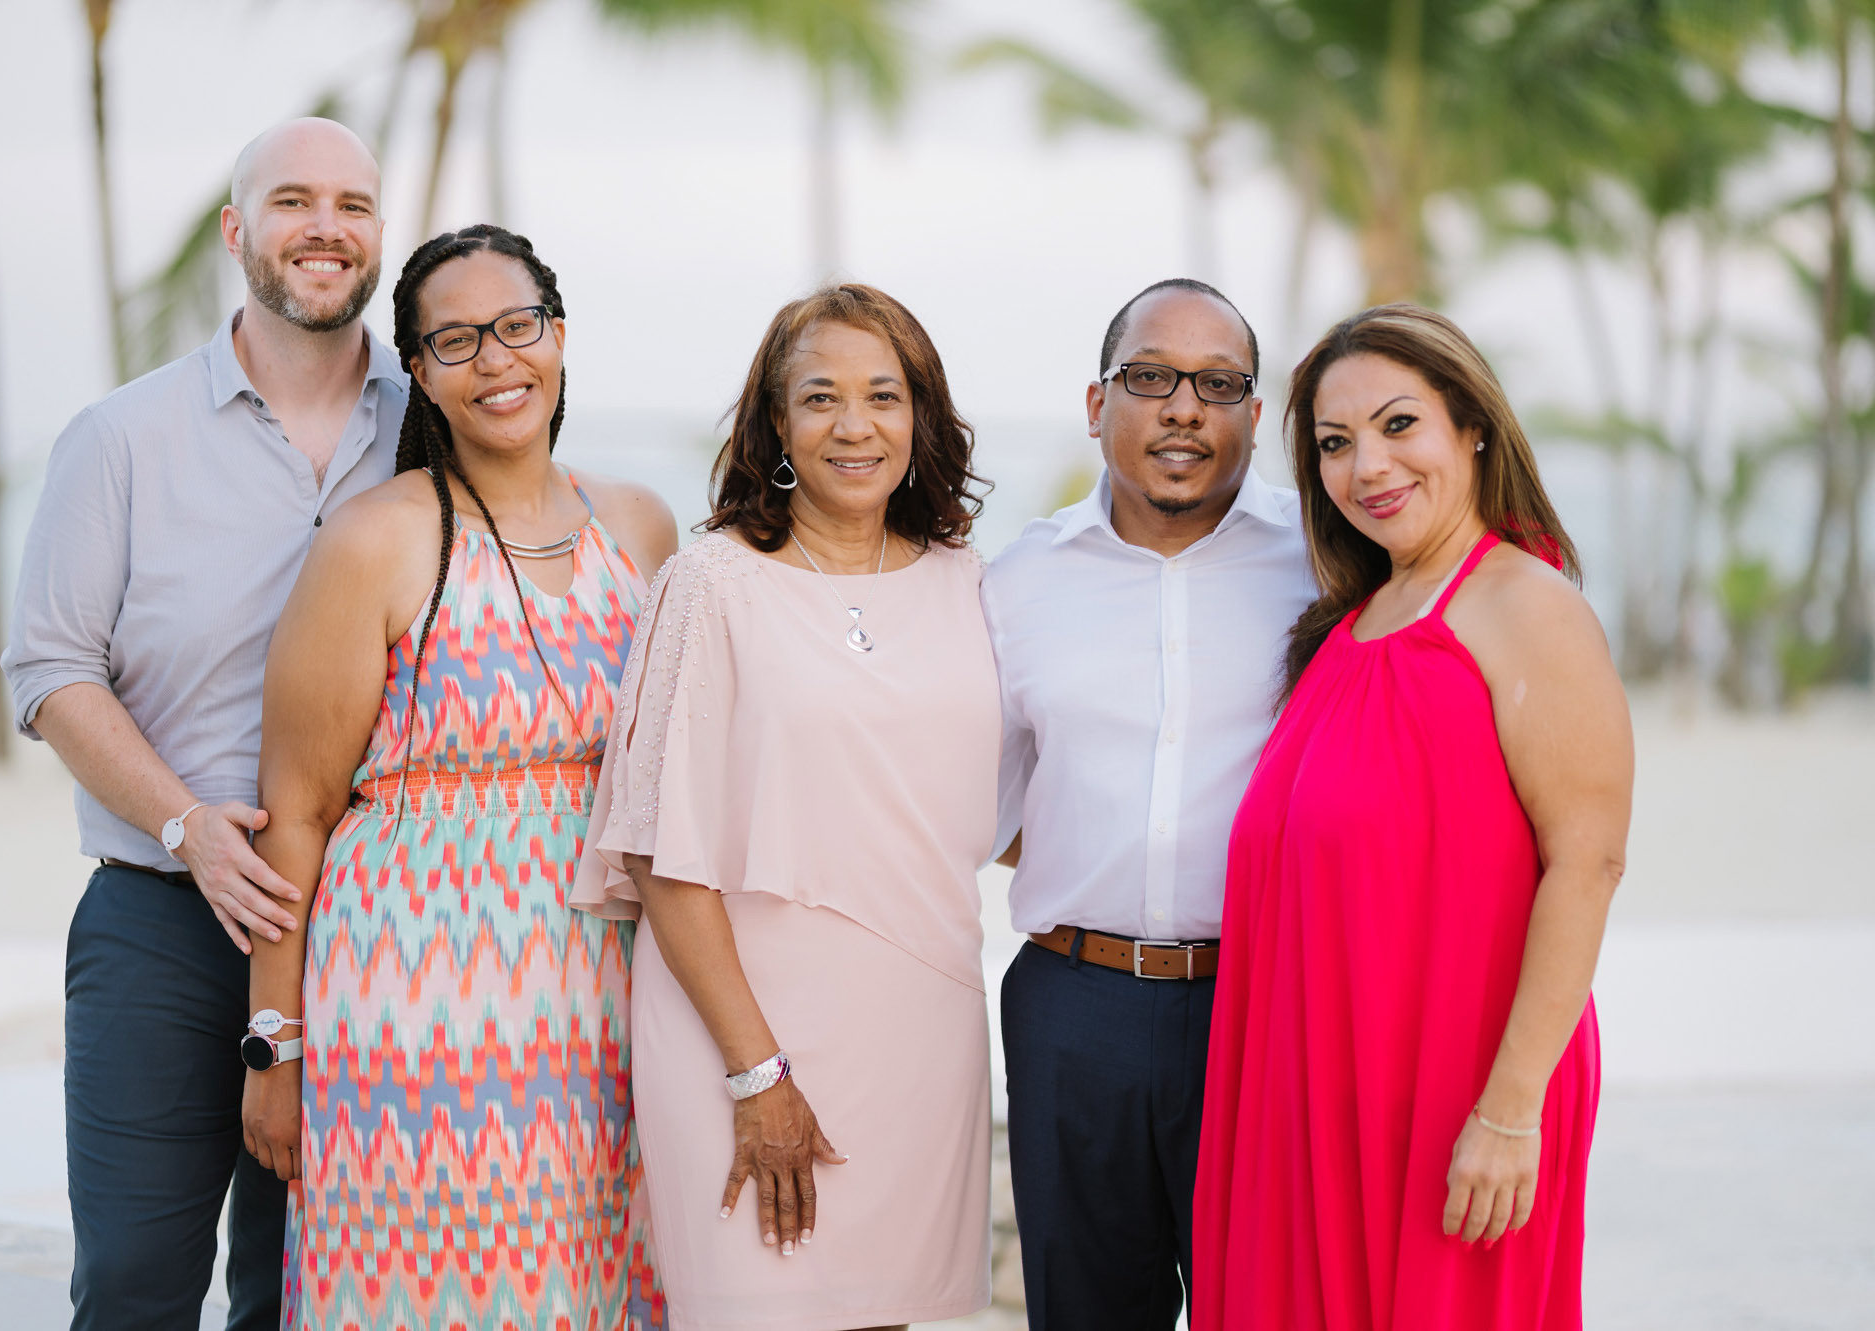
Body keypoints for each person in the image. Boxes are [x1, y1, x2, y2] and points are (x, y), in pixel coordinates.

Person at [236, 224, 678, 1330]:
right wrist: (274, 1047)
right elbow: (295, 813)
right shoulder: (372, 542)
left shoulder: (639, 525)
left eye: (517, 326)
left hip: (602, 992)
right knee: (414, 1286)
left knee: (591, 1277)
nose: (496, 359)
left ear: (559, 338)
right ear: (421, 372)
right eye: (457, 339)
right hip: (407, 1000)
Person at [1, 118, 402, 1330]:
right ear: (239, 231)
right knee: (132, 1281)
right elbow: (49, 667)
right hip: (159, 922)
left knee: (306, 1291)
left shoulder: (437, 433)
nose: (324, 226)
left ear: (379, 236)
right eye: (291, 200)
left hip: (366, 929)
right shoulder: (121, 437)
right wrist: (189, 826)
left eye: (352, 203)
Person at [1192, 304, 1629, 1330]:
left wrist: (1508, 1109)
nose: (1366, 466)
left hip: (1459, 1085)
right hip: (1318, 1087)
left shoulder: (1525, 605)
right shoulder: (1346, 625)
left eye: (1397, 425)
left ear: (1469, 426)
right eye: (1334, 444)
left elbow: (1588, 859)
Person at [570, 283, 998, 1331]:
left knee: (880, 1314)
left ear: (922, 418)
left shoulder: (968, 579)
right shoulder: (710, 584)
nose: (854, 426)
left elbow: (1013, 798)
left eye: (883, 396)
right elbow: (665, 856)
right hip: (742, 1032)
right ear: (773, 425)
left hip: (918, 1025)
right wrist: (755, 1073)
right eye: (819, 399)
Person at [982, 278, 1314, 1329]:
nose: (1182, 407)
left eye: (1217, 384)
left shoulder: (1322, 564)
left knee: (1263, 1307)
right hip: (1072, 1010)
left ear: (1253, 419)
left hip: (1264, 1006)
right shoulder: (1018, 580)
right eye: (1150, 377)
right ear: (1095, 403)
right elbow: (985, 801)